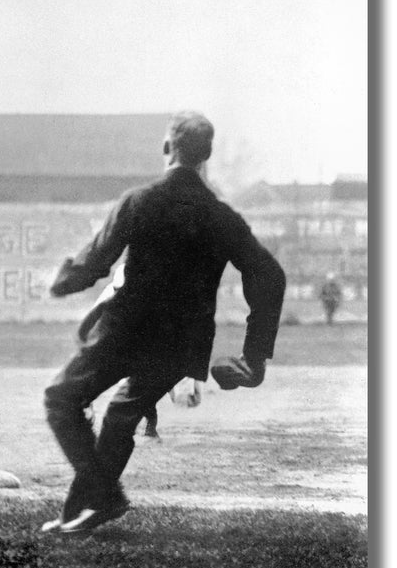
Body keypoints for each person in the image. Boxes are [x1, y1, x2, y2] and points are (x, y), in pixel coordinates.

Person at [41, 112, 286, 535]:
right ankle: (80, 513)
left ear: (167, 148)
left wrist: (61, 281)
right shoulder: (220, 215)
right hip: (182, 346)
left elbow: (95, 263)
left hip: (127, 332)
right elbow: (269, 275)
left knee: (61, 399)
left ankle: (105, 497)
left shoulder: (140, 200)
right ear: (206, 155)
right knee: (120, 418)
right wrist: (254, 355)